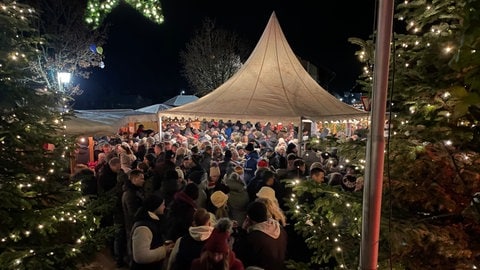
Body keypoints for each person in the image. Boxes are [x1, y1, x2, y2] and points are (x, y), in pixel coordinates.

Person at [234, 201, 287, 270]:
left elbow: (240, 255)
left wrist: (242, 231)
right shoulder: (280, 229)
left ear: (249, 219)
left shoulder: (253, 237)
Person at [131, 194, 174, 269]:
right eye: (163, 205)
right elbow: (141, 256)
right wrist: (164, 250)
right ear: (156, 206)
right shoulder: (143, 228)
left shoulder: (153, 221)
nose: (164, 207)